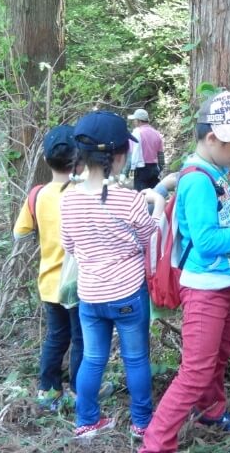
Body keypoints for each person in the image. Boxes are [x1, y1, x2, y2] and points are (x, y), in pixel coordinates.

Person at [140, 91, 230, 453]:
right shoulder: (197, 180)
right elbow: (206, 241)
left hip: (225, 284)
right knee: (195, 371)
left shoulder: (218, 173)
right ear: (211, 139)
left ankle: (211, 412)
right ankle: (156, 442)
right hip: (205, 288)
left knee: (218, 358)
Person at [60, 111, 165, 439]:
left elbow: (69, 245)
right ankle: (142, 423)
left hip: (90, 294)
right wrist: (159, 206)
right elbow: (151, 240)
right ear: (119, 156)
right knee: (136, 359)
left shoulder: (68, 200)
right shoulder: (129, 200)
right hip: (128, 293)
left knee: (93, 358)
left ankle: (87, 421)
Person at [13, 125, 83, 411]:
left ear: (45, 160)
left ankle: (48, 391)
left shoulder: (37, 195)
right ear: (79, 160)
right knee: (81, 339)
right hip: (79, 284)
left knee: (56, 337)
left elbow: (20, 234)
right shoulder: (84, 192)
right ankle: (80, 392)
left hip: (49, 282)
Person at [124, 108, 165, 191]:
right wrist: (161, 168)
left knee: (141, 196)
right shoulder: (157, 133)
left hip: (141, 169)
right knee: (153, 195)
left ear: (138, 121)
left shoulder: (136, 133)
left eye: (134, 120)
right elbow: (160, 154)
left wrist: (125, 172)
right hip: (154, 168)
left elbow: (132, 154)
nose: (133, 122)